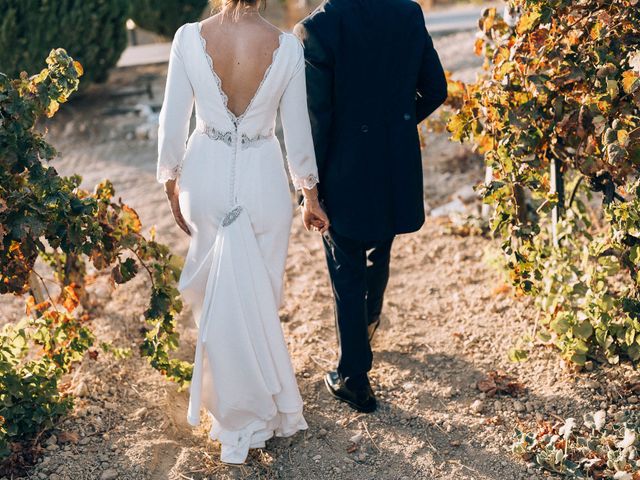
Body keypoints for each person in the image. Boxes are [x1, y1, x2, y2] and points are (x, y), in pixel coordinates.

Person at [156, 0, 329, 465]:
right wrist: (308, 194)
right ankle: (252, 417)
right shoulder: (289, 49)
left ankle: (232, 418)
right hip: (264, 183)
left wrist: (171, 182)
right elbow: (297, 132)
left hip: (205, 178)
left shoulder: (188, 38)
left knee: (218, 298)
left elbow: (173, 121)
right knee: (256, 300)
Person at [295, 0, 448, 413]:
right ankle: (369, 322)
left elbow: (317, 119)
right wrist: (394, 127)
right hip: (394, 162)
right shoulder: (408, 13)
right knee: (380, 243)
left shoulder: (317, 29)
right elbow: (436, 90)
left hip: (343, 167)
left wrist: (310, 189)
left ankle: (354, 377)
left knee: (346, 266)